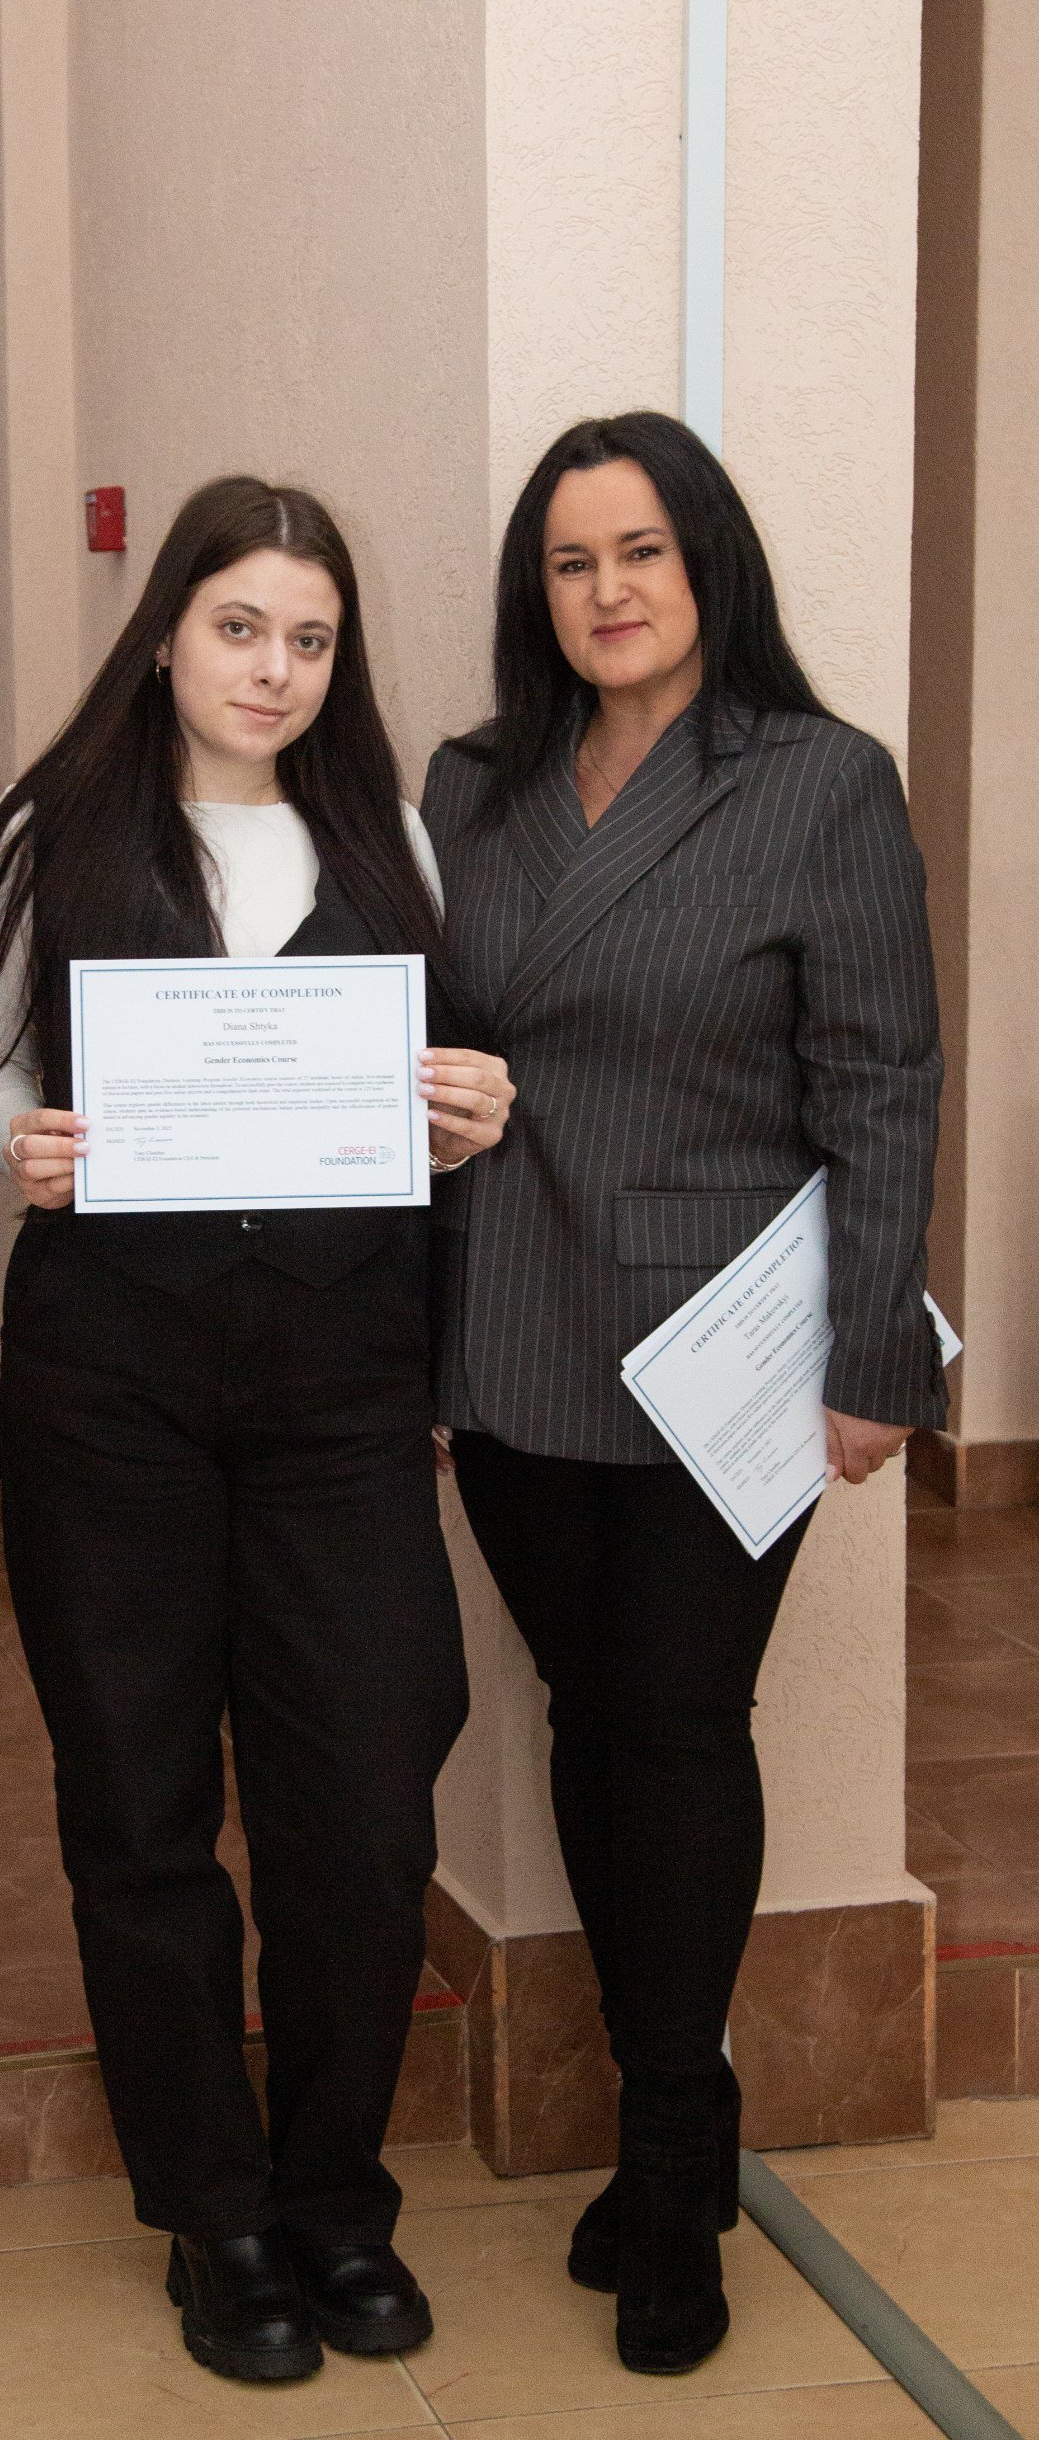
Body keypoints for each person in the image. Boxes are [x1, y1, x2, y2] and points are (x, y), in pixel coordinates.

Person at [0, 475, 513, 2385]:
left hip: (341, 1395)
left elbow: (433, 1086)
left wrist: (465, 1114)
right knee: (137, 1809)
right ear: (167, 634)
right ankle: (214, 2216)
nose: (272, 669)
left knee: (360, 1807)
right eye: (238, 627)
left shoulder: (386, 836)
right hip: (108, 1390)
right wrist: (19, 1143)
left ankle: (336, 2196)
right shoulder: (49, 824)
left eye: (309, 639)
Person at [424, 411, 946, 2376]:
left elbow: (880, 1074)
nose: (607, 590)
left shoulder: (818, 778)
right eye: (570, 561)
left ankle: (669, 2150)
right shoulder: (473, 781)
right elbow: (426, 1018)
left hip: (716, 1343)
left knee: (674, 1720)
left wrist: (874, 1353)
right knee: (587, 1711)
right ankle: (677, 2115)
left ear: (707, 560)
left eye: (639, 549)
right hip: (506, 1314)